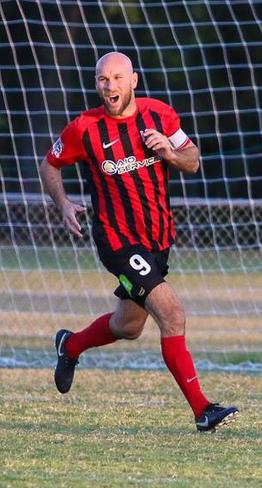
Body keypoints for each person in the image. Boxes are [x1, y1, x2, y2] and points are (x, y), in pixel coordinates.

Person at [40, 52, 239, 432]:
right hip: (118, 242)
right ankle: (203, 411)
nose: (109, 86)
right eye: (102, 79)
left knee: (128, 327)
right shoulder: (84, 128)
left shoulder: (160, 115)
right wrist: (63, 203)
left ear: (134, 80)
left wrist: (169, 151)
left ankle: (71, 346)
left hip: (158, 240)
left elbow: (193, 160)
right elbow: (50, 163)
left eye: (117, 77)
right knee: (173, 314)